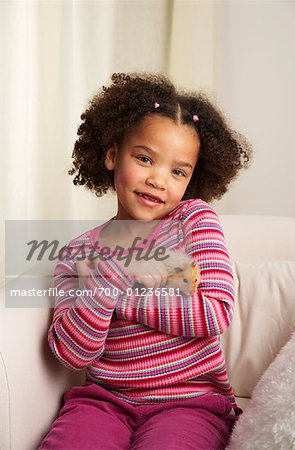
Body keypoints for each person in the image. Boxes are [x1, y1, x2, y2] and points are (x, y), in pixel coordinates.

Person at [39, 72, 252, 450]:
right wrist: (116, 273)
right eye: (144, 158)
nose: (158, 180)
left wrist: (110, 287)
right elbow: (71, 352)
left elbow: (214, 312)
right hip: (105, 402)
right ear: (111, 155)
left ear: (192, 179)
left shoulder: (194, 222)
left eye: (177, 171)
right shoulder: (78, 252)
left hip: (191, 403)